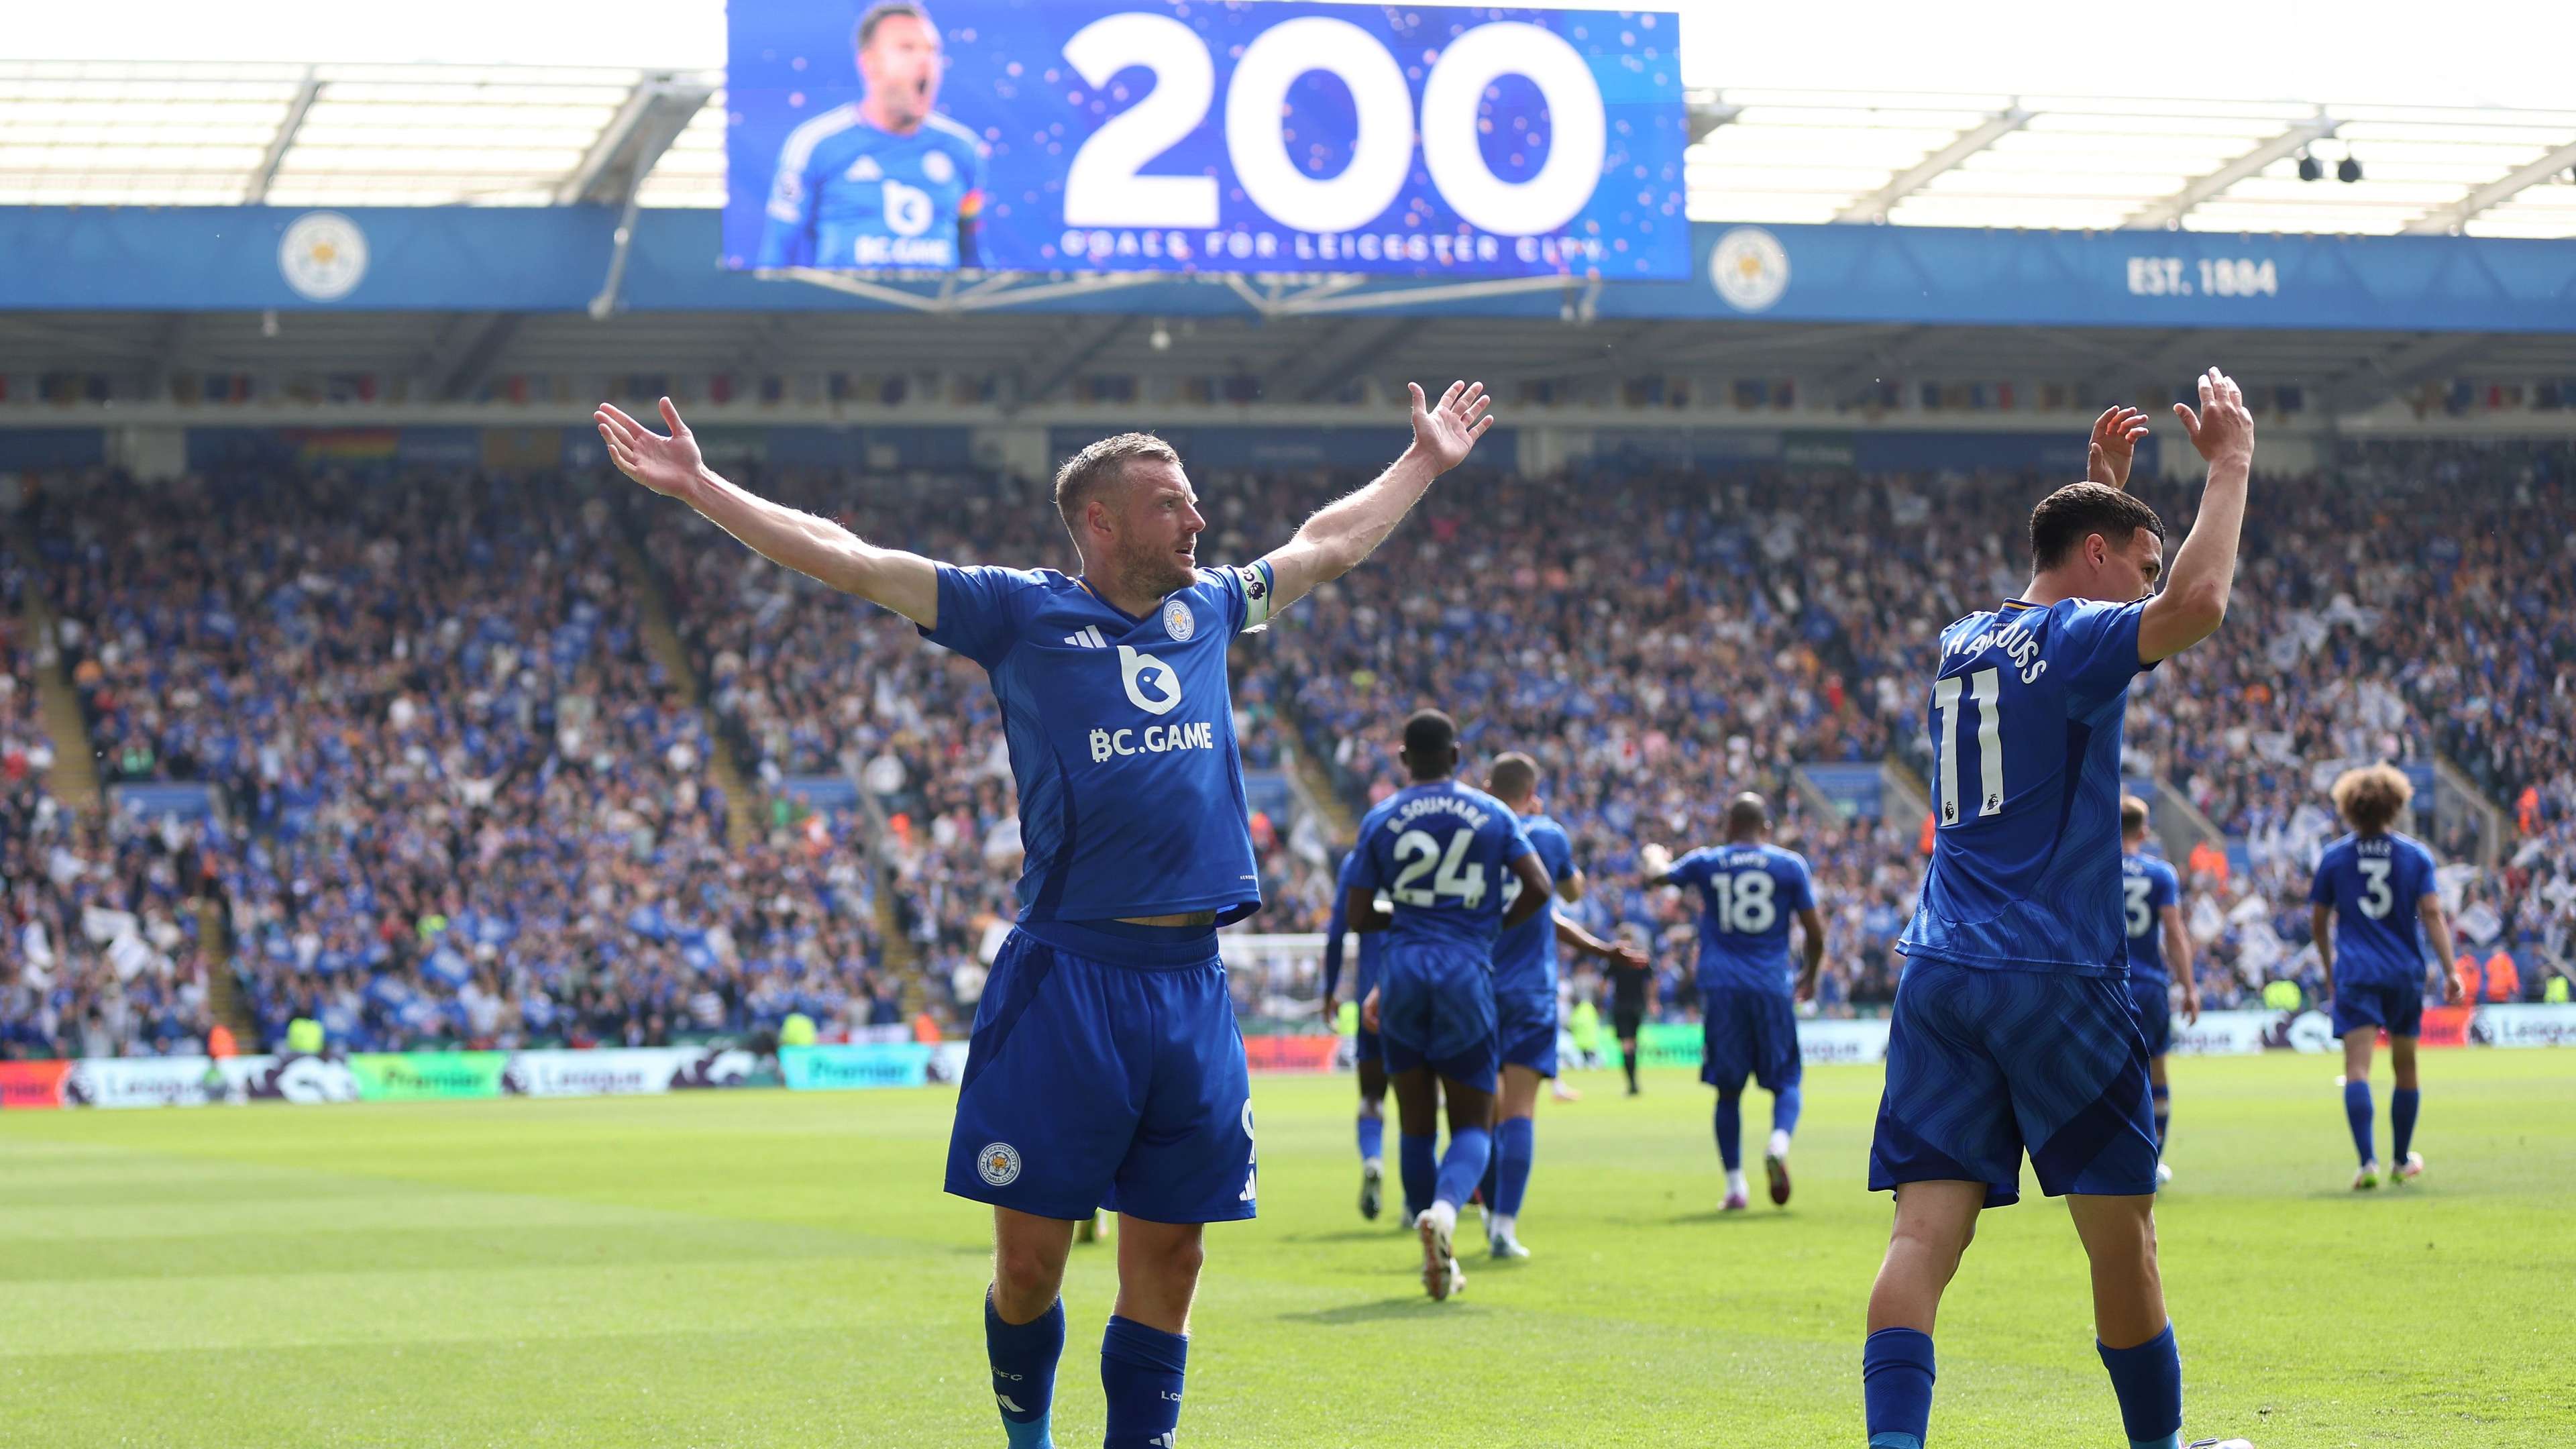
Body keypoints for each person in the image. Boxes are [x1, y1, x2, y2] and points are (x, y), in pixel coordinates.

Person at [594, 376, 1494, 1449]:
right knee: (1031, 1266)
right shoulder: (1020, 612)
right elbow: (847, 556)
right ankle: (1029, 1439)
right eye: (1172, 504)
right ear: (1101, 520)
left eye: (1194, 501)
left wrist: (1424, 463)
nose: (1198, 519)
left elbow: (1327, 545)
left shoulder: (1207, 607)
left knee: (1175, 1257)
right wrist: (704, 490)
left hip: (1191, 985)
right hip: (1066, 980)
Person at [1862, 392, 2261, 1449]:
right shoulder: (2087, 635)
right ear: (2097, 553)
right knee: (2120, 1238)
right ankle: (2158, 1446)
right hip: (2054, 973)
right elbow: (2203, 602)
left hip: (1940, 967)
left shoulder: (1960, 639)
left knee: (1922, 1237)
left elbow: (2052, 598)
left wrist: (2107, 493)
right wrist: (2231, 463)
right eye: (2139, 559)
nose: (2148, 581)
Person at [1350, 710, 1552, 1301]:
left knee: (1415, 1119)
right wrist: (1482, 925)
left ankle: (1425, 1229)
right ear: (1458, 757)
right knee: (1471, 1120)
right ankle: (1445, 1211)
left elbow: (1360, 917)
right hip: (1465, 969)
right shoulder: (1494, 813)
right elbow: (1539, 887)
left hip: (1405, 971)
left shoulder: (1382, 816)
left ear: (1404, 759)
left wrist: (1412, 918)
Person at [1478, 751, 1642, 1257]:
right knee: (1521, 1112)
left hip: (1473, 986)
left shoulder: (1473, 831)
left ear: (1488, 787)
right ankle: (1504, 1227)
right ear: (1532, 792)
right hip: (1528, 989)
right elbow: (1568, 893)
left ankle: (1477, 1210)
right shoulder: (1546, 833)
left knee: (1480, 1109)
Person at [1643, 792, 1823, 1211]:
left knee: (1727, 1092)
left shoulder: (1708, 861)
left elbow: (1659, 878)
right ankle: (1778, 1144)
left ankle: (1735, 1186)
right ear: (1766, 829)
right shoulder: (1788, 865)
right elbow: (1815, 934)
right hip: (1771, 986)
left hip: (1722, 987)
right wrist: (1809, 977)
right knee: (1787, 1081)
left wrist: (1654, 855)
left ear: (1728, 828)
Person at [2310, 764, 2461, 1191]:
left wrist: (2329, 969)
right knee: (2405, 1066)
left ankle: (2366, 1163)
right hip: (2403, 972)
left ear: (2349, 808)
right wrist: (2451, 970)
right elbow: (2432, 913)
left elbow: (2318, 922)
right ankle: (2400, 1159)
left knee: (2357, 1069)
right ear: (2395, 805)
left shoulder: (2335, 857)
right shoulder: (2415, 856)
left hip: (2356, 971)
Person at [756, 1, 988, 270]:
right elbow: (776, 258)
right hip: (845, 310)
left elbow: (973, 257)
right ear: (870, 63)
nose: (925, 61)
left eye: (933, 51)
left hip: (937, 310)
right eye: (907, 49)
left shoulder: (963, 148)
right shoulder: (814, 144)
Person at [2118, 796, 2199, 1185]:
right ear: (2144, 830)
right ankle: (2153, 1161)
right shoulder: (2160, 873)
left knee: (2100, 1074)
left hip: (2105, 985)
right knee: (2156, 1071)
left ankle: (2101, 1163)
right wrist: (2190, 987)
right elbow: (2175, 932)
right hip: (2148, 984)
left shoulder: (2093, 869)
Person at [1320, 844, 1393, 1222]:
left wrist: (1330, 989)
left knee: (1372, 1095)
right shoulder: (1423, 854)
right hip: (1421, 983)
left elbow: (1336, 933)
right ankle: (1420, 1204)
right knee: (1424, 1100)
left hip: (1371, 1000)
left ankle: (1373, 1159)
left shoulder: (1357, 862)